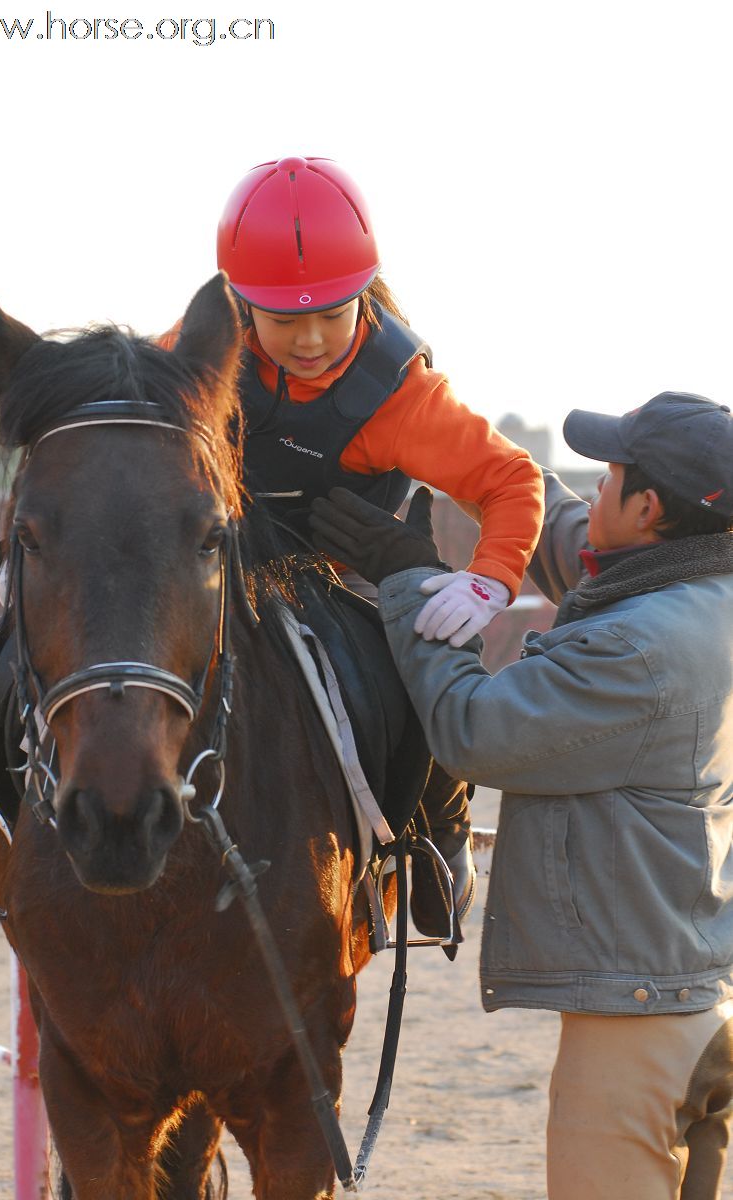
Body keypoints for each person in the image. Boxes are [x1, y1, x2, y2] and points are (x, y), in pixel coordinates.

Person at [309, 391, 733, 1199]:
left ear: (646, 508)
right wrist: (431, 419)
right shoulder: (694, 586)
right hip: (698, 996)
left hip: (635, 1038)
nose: (594, 490)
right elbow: (567, 529)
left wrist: (408, 579)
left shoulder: (638, 646)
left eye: (608, 478)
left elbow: (475, 729)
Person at [159, 155, 545, 936]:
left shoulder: (401, 394)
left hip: (343, 576)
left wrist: (487, 580)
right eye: (282, 319)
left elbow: (511, 479)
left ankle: (438, 831)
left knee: (416, 666)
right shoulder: (191, 356)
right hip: (216, 569)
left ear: (363, 292)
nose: (310, 340)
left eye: (332, 314)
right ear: (237, 302)